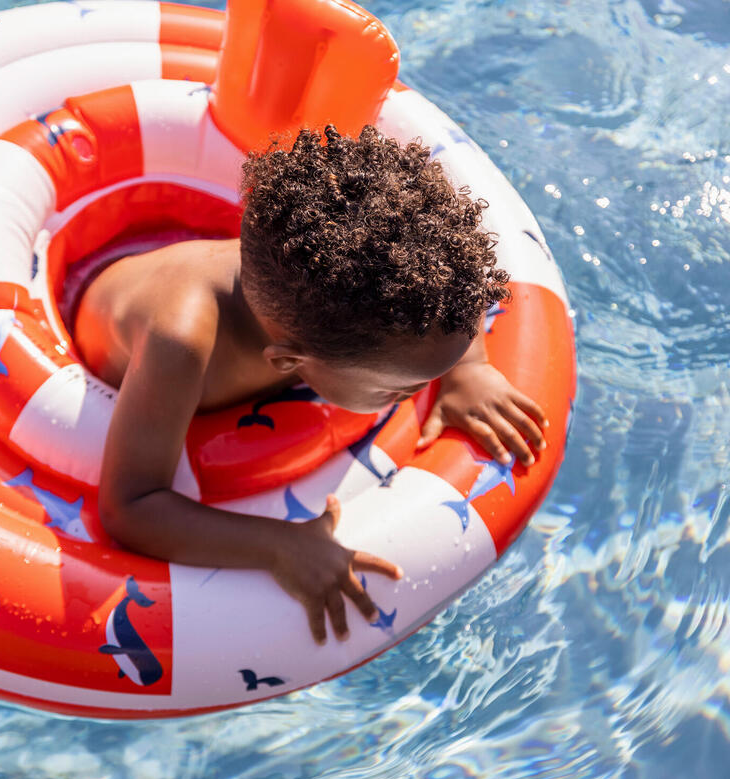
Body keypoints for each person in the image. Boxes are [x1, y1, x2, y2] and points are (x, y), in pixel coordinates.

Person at [70, 124, 548, 645]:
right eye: (396, 390)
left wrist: (468, 368)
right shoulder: (182, 342)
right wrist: (280, 545)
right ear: (288, 362)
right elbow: (130, 506)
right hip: (107, 340)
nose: (413, 396)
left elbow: (451, 297)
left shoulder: (324, 285)